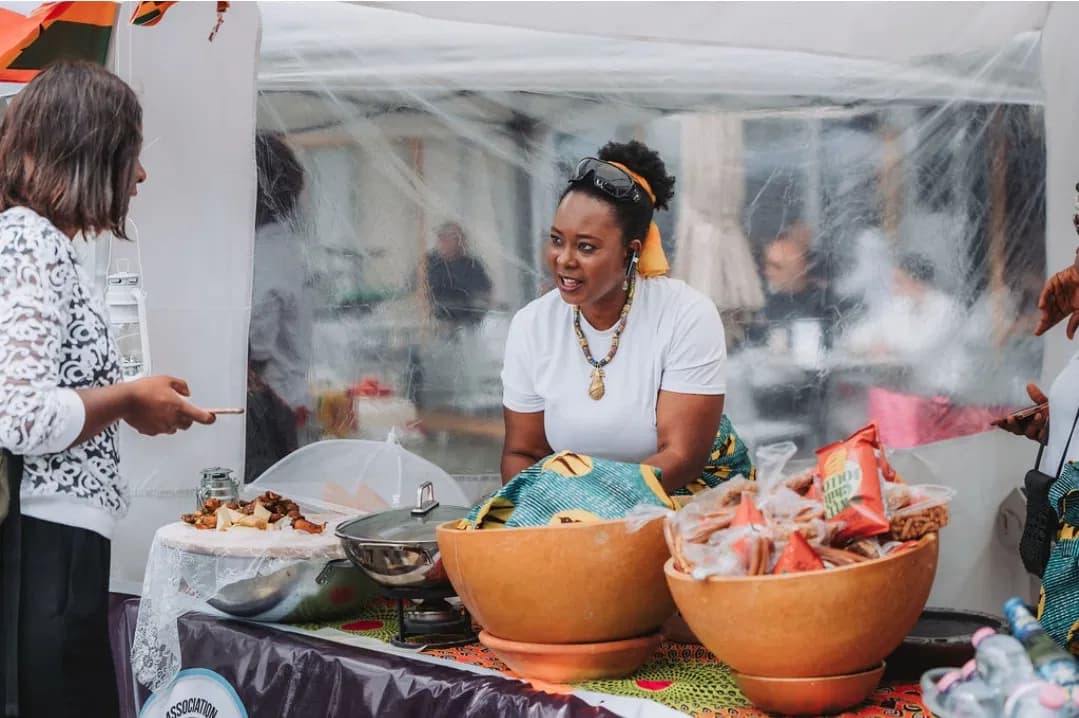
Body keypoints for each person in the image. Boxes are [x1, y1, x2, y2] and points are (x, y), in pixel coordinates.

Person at [0, 61, 216, 717]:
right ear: (90, 154)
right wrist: (126, 400)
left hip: (60, 548)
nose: (140, 176)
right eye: (132, 157)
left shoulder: (42, 243)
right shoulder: (29, 241)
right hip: (45, 550)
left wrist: (133, 403)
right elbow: (23, 417)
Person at [500, 140, 743, 493]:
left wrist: (587, 512)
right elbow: (525, 451)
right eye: (556, 240)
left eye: (586, 247)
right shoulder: (531, 325)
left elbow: (680, 456)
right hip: (569, 513)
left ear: (632, 252)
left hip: (680, 504)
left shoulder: (685, 316)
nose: (564, 259)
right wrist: (546, 517)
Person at [424, 221, 493, 327]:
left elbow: (482, 296)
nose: (447, 243)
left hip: (466, 325)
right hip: (432, 325)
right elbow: (415, 290)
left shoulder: (472, 266)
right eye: (444, 238)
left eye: (454, 238)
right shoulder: (428, 263)